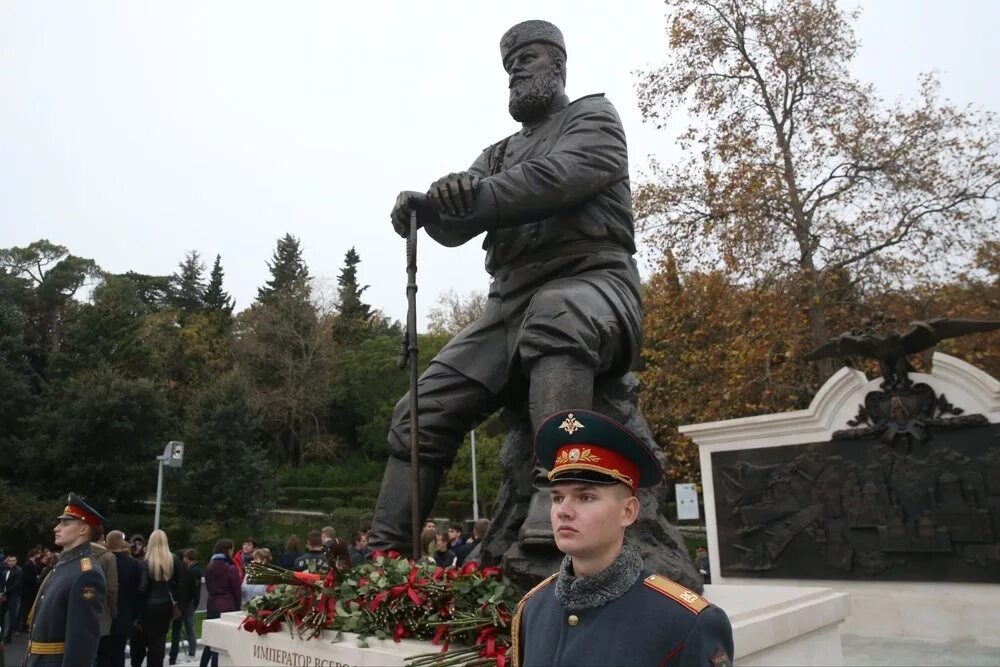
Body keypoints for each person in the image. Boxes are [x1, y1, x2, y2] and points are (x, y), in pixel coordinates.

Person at [371, 19, 646, 554]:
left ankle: (556, 488)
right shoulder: (495, 154)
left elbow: (561, 176)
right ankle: (385, 555)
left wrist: (470, 196)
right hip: (508, 304)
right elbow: (459, 222)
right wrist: (426, 207)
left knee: (558, 311)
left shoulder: (593, 117)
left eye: (530, 58)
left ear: (560, 64)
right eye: (510, 66)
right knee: (420, 407)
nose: (516, 69)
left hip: (594, 281)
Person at [511, 410, 734, 667]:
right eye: (558, 497)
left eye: (585, 497)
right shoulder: (532, 609)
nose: (563, 510)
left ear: (628, 512)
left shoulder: (686, 621)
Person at [25, 492, 108, 667]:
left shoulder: (87, 573)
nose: (57, 528)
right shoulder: (65, 565)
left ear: (84, 530)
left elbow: (82, 641)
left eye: (65, 523)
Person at [136, 530, 179, 667]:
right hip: (166, 604)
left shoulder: (147, 562)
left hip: (150, 606)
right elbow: (177, 583)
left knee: (150, 641)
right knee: (160, 640)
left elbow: (142, 588)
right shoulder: (173, 559)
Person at [100, 531, 141, 667]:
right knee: (119, 652)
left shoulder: (102, 561)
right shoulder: (133, 564)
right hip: (125, 614)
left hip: (104, 614)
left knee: (103, 653)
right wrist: (134, 615)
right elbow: (136, 593)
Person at [200, 539, 241, 667]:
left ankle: (203, 664)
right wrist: (237, 608)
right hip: (228, 607)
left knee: (211, 641)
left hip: (212, 605)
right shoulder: (231, 568)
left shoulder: (209, 567)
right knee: (222, 644)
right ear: (228, 550)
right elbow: (236, 590)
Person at [90, 524, 120, 655]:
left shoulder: (77, 554)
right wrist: (114, 612)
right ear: (102, 537)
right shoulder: (109, 557)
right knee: (102, 653)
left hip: (81, 610)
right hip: (103, 611)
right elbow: (112, 589)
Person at [169, 548, 201, 665]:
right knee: (188, 627)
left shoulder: (189, 571)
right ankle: (191, 652)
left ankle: (184, 653)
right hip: (187, 603)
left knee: (182, 629)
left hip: (182, 604)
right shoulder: (191, 571)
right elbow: (194, 591)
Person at [19, 547, 42, 633]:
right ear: (34, 555)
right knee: (25, 608)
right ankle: (23, 626)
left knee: (27, 608)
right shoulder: (28, 565)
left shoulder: (31, 564)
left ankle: (24, 625)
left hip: (30, 590)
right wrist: (36, 578)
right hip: (27, 591)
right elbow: (27, 578)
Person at [0, 554, 22, 644]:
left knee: (12, 617)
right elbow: (2, 583)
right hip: (5, 595)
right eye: (10, 561)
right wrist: (1, 592)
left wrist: (4, 593)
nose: (12, 562)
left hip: (14, 596)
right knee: (1, 615)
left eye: (13, 561)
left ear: (16, 561)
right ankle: (2, 634)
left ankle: (8, 636)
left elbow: (16, 585)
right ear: (7, 561)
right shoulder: (5, 570)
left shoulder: (19, 571)